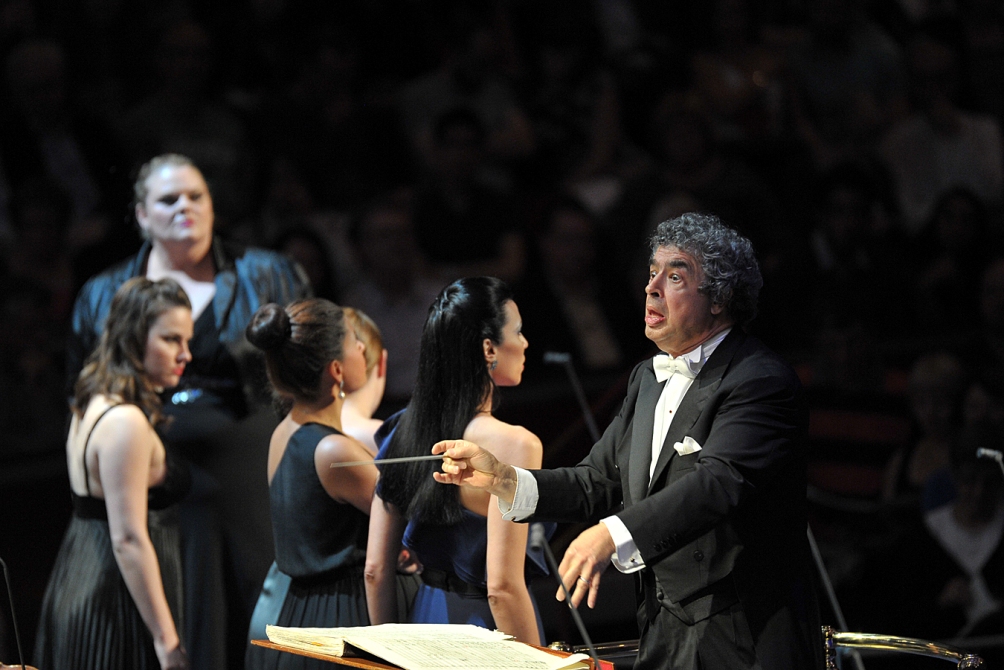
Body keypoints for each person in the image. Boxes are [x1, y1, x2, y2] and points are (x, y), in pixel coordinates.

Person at [433, 214, 824, 670]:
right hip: (663, 628)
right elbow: (596, 480)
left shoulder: (760, 379)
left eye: (674, 276)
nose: (651, 287)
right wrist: (503, 478)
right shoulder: (647, 378)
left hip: (745, 636)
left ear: (718, 298)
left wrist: (611, 533)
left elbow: (718, 483)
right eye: (652, 272)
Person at [66, 153, 310, 670]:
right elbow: (84, 391)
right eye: (169, 199)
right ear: (140, 214)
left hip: (248, 464)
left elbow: (307, 365)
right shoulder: (104, 292)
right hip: (156, 473)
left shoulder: (266, 272)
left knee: (259, 606)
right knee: (187, 609)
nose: (186, 208)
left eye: (196, 196)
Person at [364, 277, 547, 645]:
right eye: (519, 332)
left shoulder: (404, 430)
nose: (525, 343)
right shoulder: (517, 445)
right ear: (488, 349)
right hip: (490, 631)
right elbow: (502, 588)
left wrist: (385, 656)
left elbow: (374, 570)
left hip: (424, 622)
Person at [243, 299, 414, 670]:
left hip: (296, 612)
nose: (361, 350)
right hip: (340, 616)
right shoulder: (334, 450)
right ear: (337, 369)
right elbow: (411, 517)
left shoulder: (283, 432)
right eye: (355, 341)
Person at [35, 277, 193, 670]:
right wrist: (167, 642)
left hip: (84, 576)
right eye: (171, 339)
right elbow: (127, 538)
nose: (185, 354)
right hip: (115, 599)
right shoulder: (126, 421)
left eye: (187, 341)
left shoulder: (93, 401)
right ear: (135, 338)